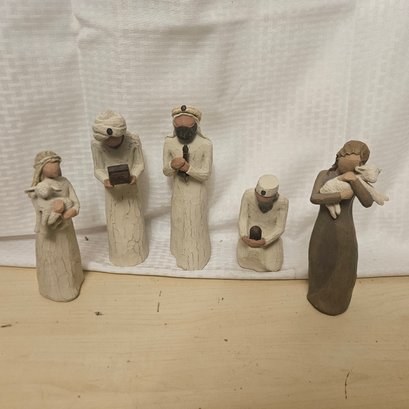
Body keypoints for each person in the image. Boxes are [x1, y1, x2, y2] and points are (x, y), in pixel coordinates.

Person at [307, 140, 374, 315]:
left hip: (344, 230)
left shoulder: (356, 179)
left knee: (343, 265)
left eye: (357, 164)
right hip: (323, 228)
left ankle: (337, 302)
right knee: (319, 259)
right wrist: (339, 195)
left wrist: (354, 181)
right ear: (339, 156)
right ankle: (316, 296)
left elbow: (367, 202)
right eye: (347, 160)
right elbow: (314, 197)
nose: (351, 168)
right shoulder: (325, 174)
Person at [91, 111, 148, 266]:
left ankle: (137, 252)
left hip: (131, 189)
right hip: (113, 193)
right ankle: (119, 254)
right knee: (117, 226)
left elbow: (139, 163)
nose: (110, 142)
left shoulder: (133, 140)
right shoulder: (96, 144)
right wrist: (105, 179)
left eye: (113, 138)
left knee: (133, 222)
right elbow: (98, 168)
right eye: (106, 140)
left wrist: (134, 175)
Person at [28, 151, 84, 301]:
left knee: (68, 256)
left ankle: (73, 281)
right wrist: (55, 212)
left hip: (65, 229)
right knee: (52, 259)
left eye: (57, 164)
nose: (55, 168)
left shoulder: (65, 182)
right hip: (48, 234)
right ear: (41, 168)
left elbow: (76, 203)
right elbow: (40, 210)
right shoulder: (39, 188)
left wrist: (68, 213)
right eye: (51, 165)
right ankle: (52, 288)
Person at [163, 105, 213, 270]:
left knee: (194, 223)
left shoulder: (205, 144)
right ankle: (179, 251)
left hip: (196, 192)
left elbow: (205, 174)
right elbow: (166, 171)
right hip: (179, 192)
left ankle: (196, 256)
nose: (183, 132)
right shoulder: (169, 143)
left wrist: (188, 168)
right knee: (179, 222)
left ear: (196, 125)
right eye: (179, 127)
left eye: (188, 127)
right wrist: (172, 165)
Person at [237, 175, 289, 272]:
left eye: (266, 202)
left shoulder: (283, 203)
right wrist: (244, 236)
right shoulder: (248, 195)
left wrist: (265, 241)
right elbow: (243, 217)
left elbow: (280, 227)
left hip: (270, 234)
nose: (261, 203)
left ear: (274, 197)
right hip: (249, 233)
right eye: (258, 199)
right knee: (244, 256)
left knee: (273, 266)